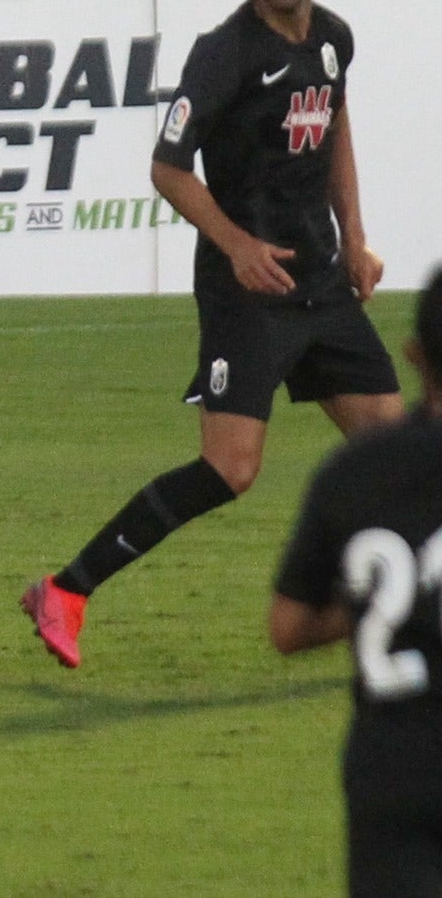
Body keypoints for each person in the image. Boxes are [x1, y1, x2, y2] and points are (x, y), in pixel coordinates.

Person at [22, 0, 404, 668]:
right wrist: (235, 245)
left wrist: (355, 236)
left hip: (322, 285)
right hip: (247, 293)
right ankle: (64, 590)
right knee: (230, 469)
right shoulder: (225, 52)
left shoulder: (333, 41)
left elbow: (334, 127)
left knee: (401, 454)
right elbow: (167, 168)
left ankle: (386, 606)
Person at [271, 267, 442, 898]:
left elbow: (287, 628)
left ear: (415, 357)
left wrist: (391, 595)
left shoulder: (354, 471)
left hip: (389, 773)